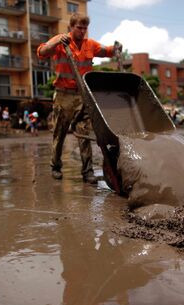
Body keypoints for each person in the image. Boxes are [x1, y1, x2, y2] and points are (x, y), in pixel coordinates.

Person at [37, 13, 122, 184]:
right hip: (63, 94)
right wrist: (55, 41)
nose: (82, 31)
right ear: (71, 27)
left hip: (83, 95)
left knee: (84, 134)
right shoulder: (61, 42)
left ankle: (87, 171)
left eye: (85, 28)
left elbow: (106, 52)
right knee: (59, 133)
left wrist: (116, 48)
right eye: (79, 28)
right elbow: (42, 52)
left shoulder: (90, 45)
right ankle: (55, 166)